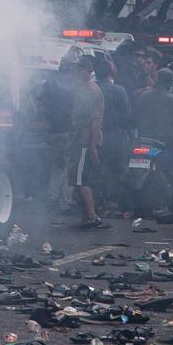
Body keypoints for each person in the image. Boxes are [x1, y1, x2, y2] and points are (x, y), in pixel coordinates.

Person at [68, 55, 109, 229]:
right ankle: (87, 215)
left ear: (87, 71)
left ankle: (92, 216)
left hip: (86, 141)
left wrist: (92, 147)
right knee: (79, 179)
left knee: (81, 180)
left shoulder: (92, 91)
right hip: (80, 140)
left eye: (79, 69)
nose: (75, 73)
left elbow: (96, 121)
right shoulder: (82, 89)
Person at [40, 58, 75, 221]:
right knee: (67, 166)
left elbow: (40, 103)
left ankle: (51, 198)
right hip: (68, 130)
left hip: (54, 130)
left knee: (57, 165)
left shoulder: (49, 84)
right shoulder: (73, 85)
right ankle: (64, 203)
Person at [95, 59, 130, 212]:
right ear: (111, 72)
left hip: (97, 135)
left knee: (100, 168)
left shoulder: (93, 89)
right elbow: (127, 115)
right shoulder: (119, 90)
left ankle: (99, 201)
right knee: (118, 169)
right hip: (116, 136)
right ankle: (114, 201)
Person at [134, 68, 173, 144]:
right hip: (166, 142)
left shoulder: (142, 96)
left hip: (144, 140)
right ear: (171, 82)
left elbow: (133, 117)